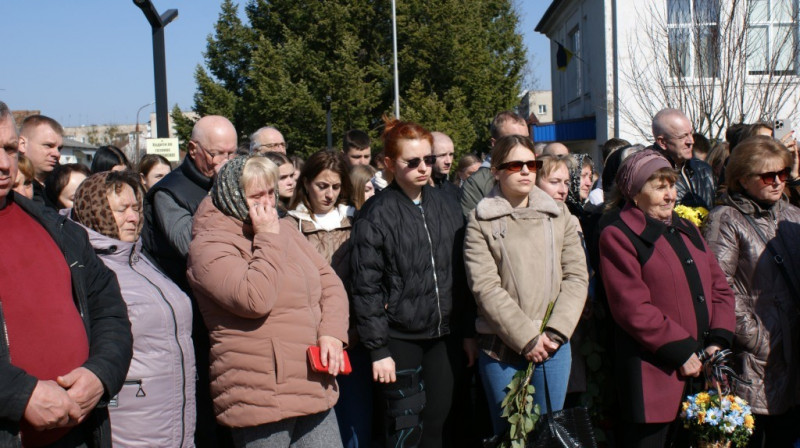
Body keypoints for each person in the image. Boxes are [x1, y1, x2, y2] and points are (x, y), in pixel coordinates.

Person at [186, 155, 349, 447]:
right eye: (256, 196)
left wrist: (333, 334)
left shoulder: (284, 227)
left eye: (271, 193)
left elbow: (330, 283)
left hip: (312, 377)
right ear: (234, 196)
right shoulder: (209, 245)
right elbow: (255, 299)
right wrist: (267, 238)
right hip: (260, 392)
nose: (268, 203)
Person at [0, 100, 133, 447]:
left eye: (10, 149)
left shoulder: (57, 229)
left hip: (80, 433)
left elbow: (109, 309)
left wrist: (100, 374)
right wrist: (18, 394)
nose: (4, 164)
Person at [598, 149, 735, 447]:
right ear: (635, 193)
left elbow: (720, 288)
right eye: (660, 187)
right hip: (655, 375)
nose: (670, 195)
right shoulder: (619, 234)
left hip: (703, 371)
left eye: (672, 185)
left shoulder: (687, 228)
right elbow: (632, 308)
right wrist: (682, 351)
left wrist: (717, 342)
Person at [350, 118, 471, 447]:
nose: (423, 168)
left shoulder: (448, 204)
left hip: (444, 336)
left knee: (437, 424)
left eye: (428, 159)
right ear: (390, 164)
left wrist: (468, 333)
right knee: (404, 428)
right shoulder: (376, 213)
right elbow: (365, 287)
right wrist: (378, 349)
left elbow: (461, 275)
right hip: (398, 338)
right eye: (412, 161)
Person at [463, 135, 588, 437]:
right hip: (501, 346)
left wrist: (555, 332)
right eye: (514, 165)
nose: (524, 171)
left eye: (531, 165)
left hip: (553, 344)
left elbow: (576, 276)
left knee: (549, 434)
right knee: (511, 436)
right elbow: (485, 287)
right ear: (496, 171)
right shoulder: (480, 220)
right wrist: (527, 338)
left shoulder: (559, 214)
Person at [70, 170, 196, 447]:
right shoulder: (89, 269)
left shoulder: (139, 258)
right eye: (121, 210)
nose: (133, 217)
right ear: (95, 211)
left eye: (136, 208)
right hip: (130, 421)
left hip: (174, 418)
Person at [141, 114, 237, 448]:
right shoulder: (170, 192)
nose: (226, 162)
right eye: (218, 154)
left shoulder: (235, 180)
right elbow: (191, 247)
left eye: (233, 153)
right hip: (194, 319)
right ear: (193, 149)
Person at [703, 136, 800, 448]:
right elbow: (719, 285)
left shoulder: (791, 215)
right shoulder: (726, 218)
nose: (778, 182)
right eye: (768, 176)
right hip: (756, 357)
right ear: (743, 178)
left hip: (793, 350)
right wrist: (757, 338)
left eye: (782, 173)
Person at [284, 150, 366, 448]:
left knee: (356, 423)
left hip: (355, 336)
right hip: (311, 340)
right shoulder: (290, 225)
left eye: (335, 186)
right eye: (322, 186)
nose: (329, 194)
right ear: (306, 183)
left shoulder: (356, 219)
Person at [461, 111, 529, 217]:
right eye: (513, 140)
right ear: (494, 143)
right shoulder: (476, 184)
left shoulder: (534, 171)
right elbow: (473, 223)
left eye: (526, 139)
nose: (522, 145)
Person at [651, 108, 716, 210]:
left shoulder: (704, 170)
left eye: (690, 133)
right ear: (662, 142)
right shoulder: (650, 175)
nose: (691, 141)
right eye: (682, 137)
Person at [18, 114, 64, 206]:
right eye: (48, 145)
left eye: (59, 148)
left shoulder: (60, 185)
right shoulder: (8, 187)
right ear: (22, 144)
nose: (57, 154)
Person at [263, 151, 296, 215]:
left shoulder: (299, 206)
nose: (291, 182)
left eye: (291, 175)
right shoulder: (267, 213)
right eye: (283, 178)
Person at [431, 131, 459, 202]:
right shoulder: (417, 192)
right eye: (442, 155)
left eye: (451, 154)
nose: (448, 161)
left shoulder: (456, 192)